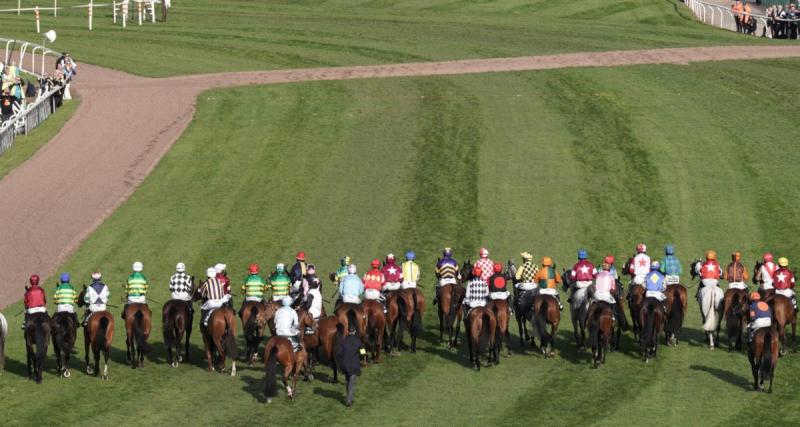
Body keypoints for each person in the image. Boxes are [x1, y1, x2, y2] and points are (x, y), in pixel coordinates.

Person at [337, 323, 363, 407]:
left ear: (348, 331)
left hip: (345, 365)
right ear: (355, 331)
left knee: (348, 381)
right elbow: (363, 352)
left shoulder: (343, 341)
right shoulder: (358, 341)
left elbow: (339, 354)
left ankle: (349, 397)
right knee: (351, 383)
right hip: (354, 365)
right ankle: (348, 400)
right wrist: (362, 357)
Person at [586, 256, 617, 323]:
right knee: (614, 302)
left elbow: (594, 285)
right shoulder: (611, 276)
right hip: (606, 295)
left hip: (597, 295)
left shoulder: (598, 275)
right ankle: (613, 316)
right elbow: (613, 289)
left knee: (590, 303)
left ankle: (586, 318)